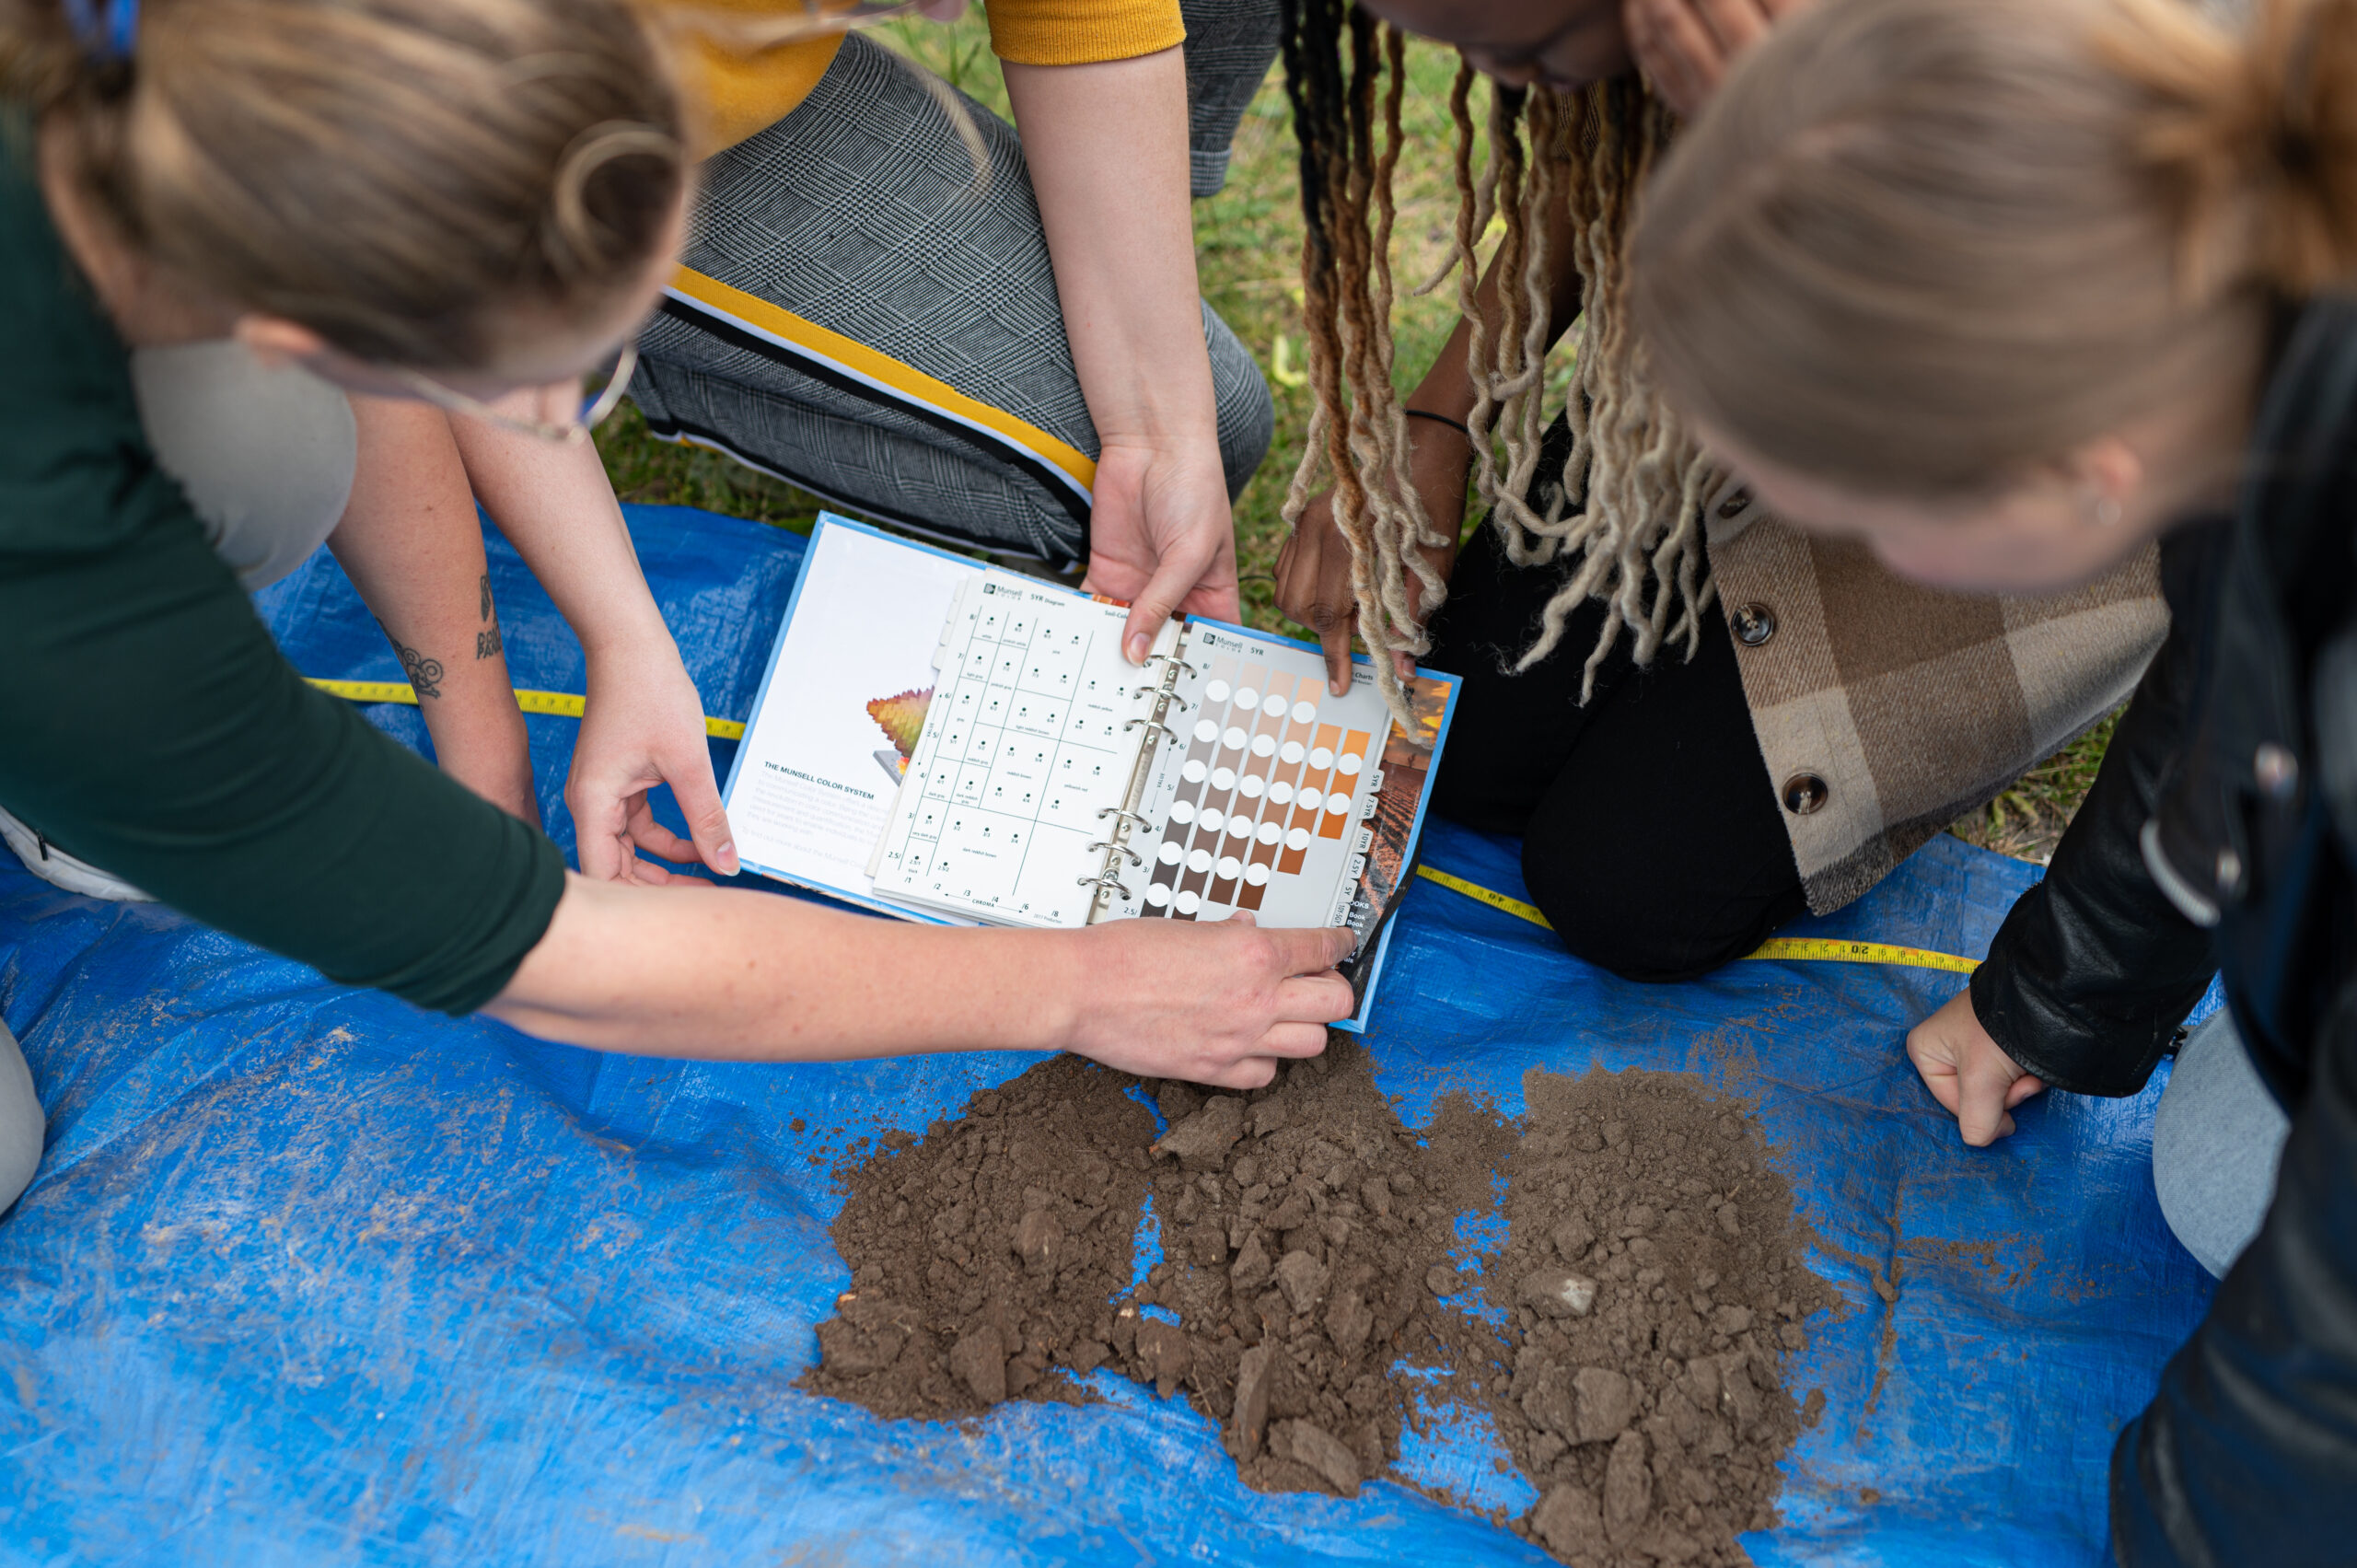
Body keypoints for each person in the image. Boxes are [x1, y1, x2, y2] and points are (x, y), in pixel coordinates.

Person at [0, 0, 1353, 1217]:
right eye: (553, 380)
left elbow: (379, 352)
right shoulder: (78, 577)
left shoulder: (205, 109)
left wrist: (606, 646)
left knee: (270, 446)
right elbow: (537, 948)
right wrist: (1081, 983)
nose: (551, 423)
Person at [1629, 0, 2355, 1553]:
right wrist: (2059, 990)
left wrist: (2179, 1521)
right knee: (2230, 1161)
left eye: (1878, 529)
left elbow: (2312, 1393)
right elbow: (2229, 697)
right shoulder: (2266, 357)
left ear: (2075, 478)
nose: (1868, 568)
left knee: (2238, 1199)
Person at [1266, 0, 2167, 980]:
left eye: (1538, 49)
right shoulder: (1684, 66)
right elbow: (1611, 140)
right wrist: (1436, 420)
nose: (1504, 77)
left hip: (2007, 478)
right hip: (1712, 385)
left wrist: (2067, 987)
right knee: (1466, 748)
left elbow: (2259, 638)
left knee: (1622, 895)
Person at [634, 0, 1289, 663]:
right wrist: (614, 636)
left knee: (1195, 434)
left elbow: (1082, 15)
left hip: (755, 46)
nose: (952, 11)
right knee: (1126, 449)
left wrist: (1158, 433)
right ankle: (611, 348)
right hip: (612, 136)